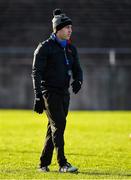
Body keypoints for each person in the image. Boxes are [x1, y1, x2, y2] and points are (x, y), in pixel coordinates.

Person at [32, 9, 83, 173]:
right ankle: (63, 164)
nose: (70, 30)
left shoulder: (70, 48)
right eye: (67, 27)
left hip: (64, 94)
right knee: (59, 124)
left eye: (71, 28)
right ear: (58, 29)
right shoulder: (45, 47)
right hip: (50, 93)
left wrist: (78, 80)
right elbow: (36, 72)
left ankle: (43, 164)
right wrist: (38, 96)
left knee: (54, 128)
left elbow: (77, 68)